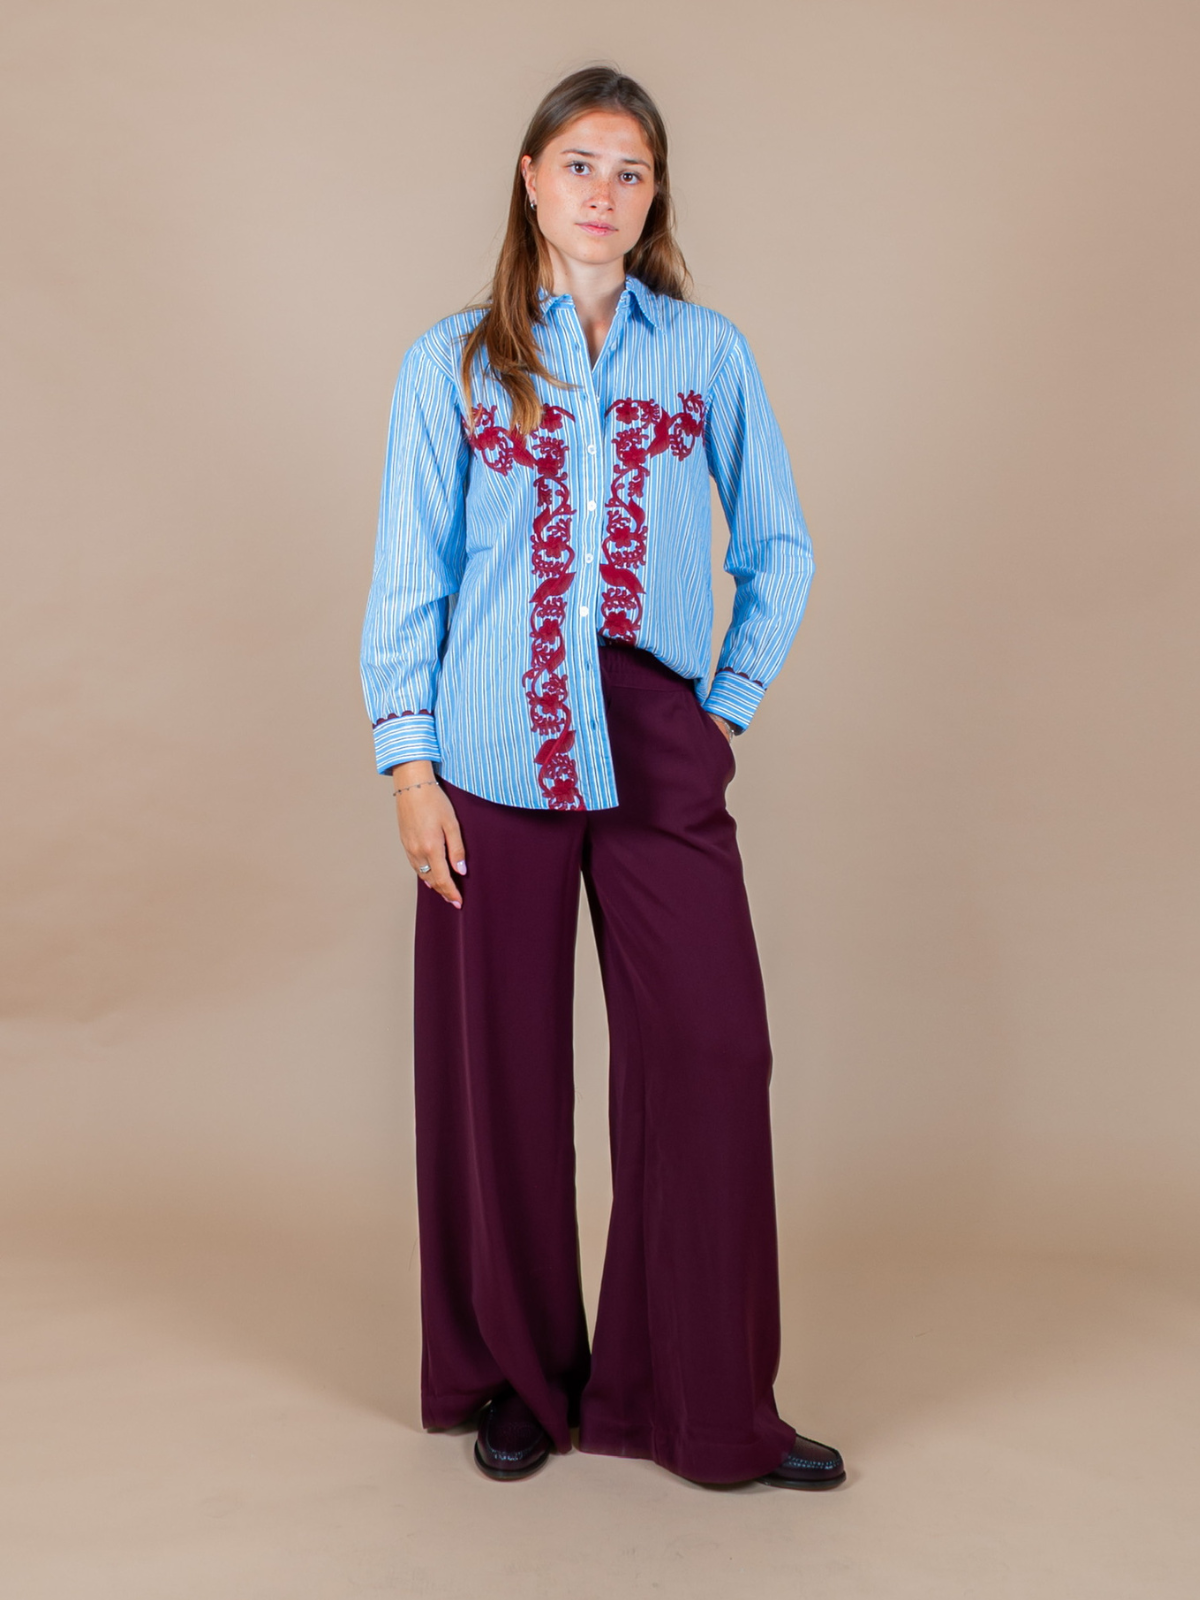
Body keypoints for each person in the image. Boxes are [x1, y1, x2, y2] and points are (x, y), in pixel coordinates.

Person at [360, 65, 844, 1490]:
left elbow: (781, 546)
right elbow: (409, 574)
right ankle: (524, 1380)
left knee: (712, 1054)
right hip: (487, 749)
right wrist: (408, 766)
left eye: (631, 172)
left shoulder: (705, 355)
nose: (604, 192)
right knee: (499, 1076)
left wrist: (724, 708)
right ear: (530, 179)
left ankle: (700, 1399)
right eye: (580, 163)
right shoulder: (451, 364)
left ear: (653, 197)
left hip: (654, 734)